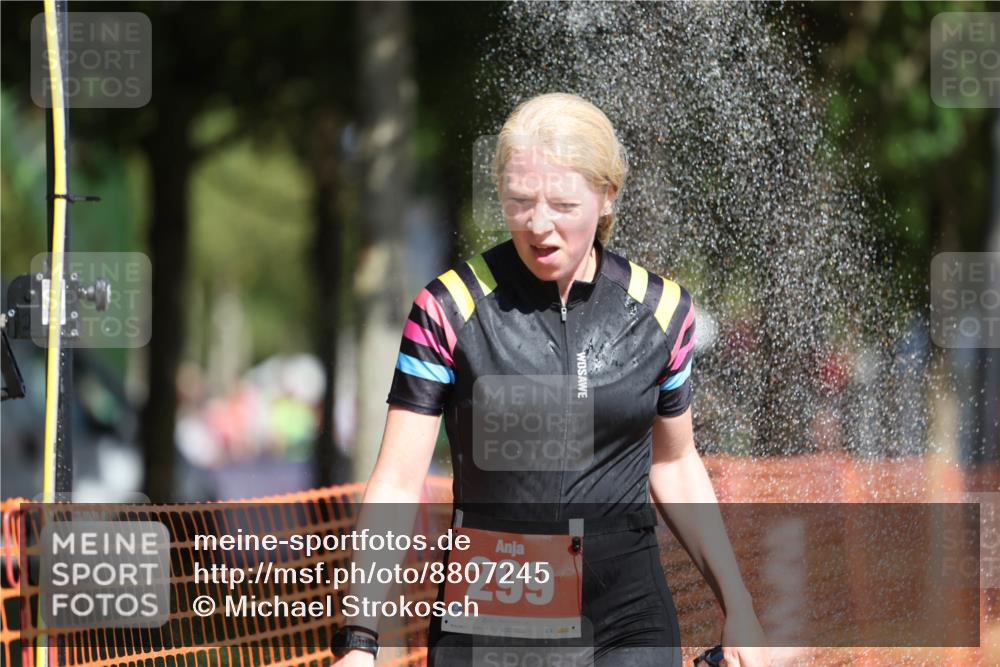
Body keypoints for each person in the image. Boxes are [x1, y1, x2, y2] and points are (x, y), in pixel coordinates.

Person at [331, 93, 770, 667]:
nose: (539, 226)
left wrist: (738, 607)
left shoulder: (663, 312)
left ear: (608, 195)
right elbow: (395, 480)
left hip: (627, 618)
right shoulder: (447, 309)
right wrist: (360, 638)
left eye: (563, 204)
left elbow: (674, 464)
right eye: (519, 202)